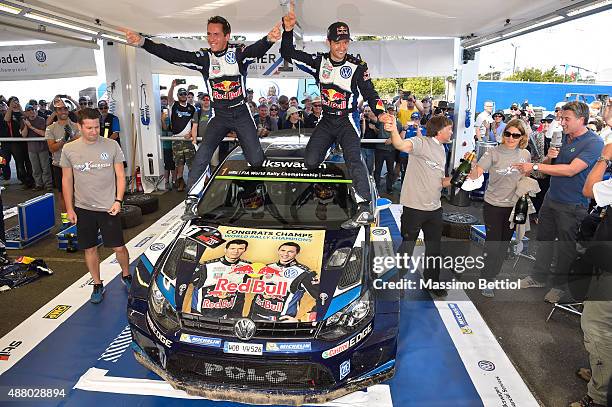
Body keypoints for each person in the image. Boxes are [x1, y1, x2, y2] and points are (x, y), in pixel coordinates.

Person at [124, 16, 281, 203]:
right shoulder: (204, 58)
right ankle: (192, 198)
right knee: (202, 156)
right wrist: (143, 42)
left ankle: (257, 190)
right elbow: (173, 54)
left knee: (256, 159)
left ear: (227, 36)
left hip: (241, 113)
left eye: (216, 34)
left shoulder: (238, 54)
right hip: (220, 115)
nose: (211, 38)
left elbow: (256, 49)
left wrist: (270, 39)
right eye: (208, 34)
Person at [281, 6, 389, 228]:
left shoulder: (357, 66)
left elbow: (371, 94)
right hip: (326, 120)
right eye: (338, 41)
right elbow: (287, 53)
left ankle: (363, 207)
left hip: (347, 121)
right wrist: (288, 30)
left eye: (346, 41)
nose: (342, 46)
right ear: (328, 42)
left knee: (353, 158)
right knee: (310, 161)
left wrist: (381, 113)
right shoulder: (320, 62)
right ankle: (329, 147)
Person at [513, 101, 604, 303]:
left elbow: (571, 169)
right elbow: (550, 165)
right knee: (544, 240)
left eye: (566, 119)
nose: (561, 122)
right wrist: (547, 158)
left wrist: (534, 166)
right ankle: (538, 277)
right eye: (561, 118)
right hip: (551, 198)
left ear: (581, 120)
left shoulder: (593, 142)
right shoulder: (561, 137)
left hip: (573, 204)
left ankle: (560, 287)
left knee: (566, 247)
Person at [60, 108, 130, 304]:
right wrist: (70, 208)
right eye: (89, 128)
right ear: (79, 126)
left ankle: (126, 275)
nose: (93, 131)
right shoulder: (69, 149)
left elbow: (120, 176)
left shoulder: (112, 145)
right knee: (90, 249)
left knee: (119, 248)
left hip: (109, 207)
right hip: (83, 208)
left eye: (97, 127)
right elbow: (66, 181)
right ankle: (97, 284)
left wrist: (118, 200)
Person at [388, 115, 453, 297]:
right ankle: (397, 282)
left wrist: (459, 180)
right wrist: (393, 129)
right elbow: (400, 145)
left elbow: (441, 181)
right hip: (414, 207)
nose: (452, 132)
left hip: (434, 208)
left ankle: (432, 282)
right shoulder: (421, 143)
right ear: (440, 131)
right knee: (407, 247)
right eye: (449, 129)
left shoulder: (442, 149)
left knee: (434, 249)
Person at [468, 119, 531, 297]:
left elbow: (525, 179)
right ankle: (486, 279)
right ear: (503, 135)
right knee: (493, 245)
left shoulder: (525, 154)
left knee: (503, 246)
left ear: (521, 137)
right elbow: (476, 174)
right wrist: (471, 165)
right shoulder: (493, 152)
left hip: (514, 207)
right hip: (493, 205)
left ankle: (493, 275)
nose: (511, 138)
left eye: (515, 135)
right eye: (508, 134)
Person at [249, 242, 319, 322]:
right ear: (278, 251)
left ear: (297, 253)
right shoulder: (267, 267)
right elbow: (258, 294)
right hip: (256, 319)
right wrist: (249, 316)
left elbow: (324, 298)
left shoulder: (304, 273)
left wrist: (302, 320)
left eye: (290, 252)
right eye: (283, 250)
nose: (285, 254)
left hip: (281, 323)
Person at [188, 239, 250, 316]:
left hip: (230, 312)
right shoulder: (207, 266)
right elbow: (190, 284)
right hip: (204, 311)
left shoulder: (247, 267)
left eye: (240, 249)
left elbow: (244, 290)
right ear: (225, 249)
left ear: (245, 250)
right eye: (232, 248)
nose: (236, 251)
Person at [166, 80, 197, 192]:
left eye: (185, 94)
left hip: (188, 140)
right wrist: (172, 86)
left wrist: (190, 134)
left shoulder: (192, 108)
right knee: (179, 163)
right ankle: (180, 183)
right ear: (178, 96)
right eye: (181, 94)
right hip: (176, 139)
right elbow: (169, 97)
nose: (183, 96)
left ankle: (193, 183)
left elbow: (194, 123)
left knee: (191, 163)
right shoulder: (173, 105)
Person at [4, 97, 34, 189]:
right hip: (14, 141)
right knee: (19, 162)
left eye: (17, 101)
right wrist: (10, 107)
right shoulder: (8, 112)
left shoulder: (21, 112)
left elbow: (27, 116)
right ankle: (24, 180)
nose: (15, 103)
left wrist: (20, 108)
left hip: (25, 140)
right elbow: (6, 119)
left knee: (28, 161)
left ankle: (30, 179)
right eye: (14, 101)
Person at [20, 103, 52, 191]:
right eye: (29, 111)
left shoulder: (41, 120)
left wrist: (31, 127)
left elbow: (43, 133)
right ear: (26, 113)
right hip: (31, 149)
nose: (32, 112)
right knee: (35, 169)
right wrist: (26, 125)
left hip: (42, 148)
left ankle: (48, 185)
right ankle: (39, 184)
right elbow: (23, 135)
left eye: (33, 110)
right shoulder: (24, 121)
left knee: (45, 168)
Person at [527, 114, 554, 219]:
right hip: (536, 170)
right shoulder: (537, 135)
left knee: (544, 194)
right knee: (534, 193)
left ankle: (539, 214)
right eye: (544, 122)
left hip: (551, 171)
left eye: (549, 122)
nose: (546, 124)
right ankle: (533, 214)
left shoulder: (558, 137)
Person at [375, 106, 403, 194]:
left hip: (391, 151)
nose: (391, 112)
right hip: (380, 149)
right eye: (389, 110)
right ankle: (376, 188)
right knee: (377, 170)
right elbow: (374, 122)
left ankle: (389, 188)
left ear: (395, 112)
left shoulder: (398, 123)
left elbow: (400, 135)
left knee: (390, 170)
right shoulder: (381, 121)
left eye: (393, 111)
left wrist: (392, 139)